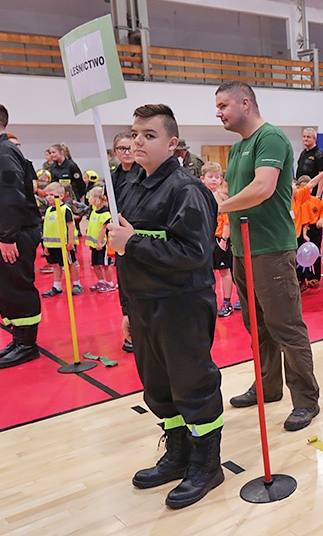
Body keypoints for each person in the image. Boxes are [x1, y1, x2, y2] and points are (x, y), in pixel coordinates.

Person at [106, 104, 224, 509]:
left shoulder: (187, 191)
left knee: (193, 384)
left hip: (181, 305)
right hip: (143, 305)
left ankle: (208, 464)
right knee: (158, 387)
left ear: (172, 144)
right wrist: (127, 308)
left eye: (149, 135)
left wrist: (133, 241)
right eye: (135, 133)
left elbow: (192, 253)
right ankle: (179, 453)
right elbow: (124, 254)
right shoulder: (131, 186)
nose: (138, 141)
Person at [214, 80, 321, 432]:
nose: (219, 114)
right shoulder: (237, 148)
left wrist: (217, 207)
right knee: (256, 326)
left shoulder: (270, 138)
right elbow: (233, 189)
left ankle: (305, 400)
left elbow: (263, 188)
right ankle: (268, 387)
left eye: (223, 106)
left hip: (271, 249)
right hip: (243, 250)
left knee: (286, 326)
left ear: (245, 103)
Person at [0, 102, 43, 370]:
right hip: (10, 232)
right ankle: (18, 340)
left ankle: (27, 346)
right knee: (5, 289)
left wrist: (7, 237)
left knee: (15, 288)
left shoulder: (3, 153)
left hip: (15, 233)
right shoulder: (1, 151)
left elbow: (9, 198)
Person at [201, 162, 239, 317]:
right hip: (204, 239)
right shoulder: (200, 195)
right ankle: (210, 303)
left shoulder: (222, 198)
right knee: (208, 273)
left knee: (224, 270)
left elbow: (227, 218)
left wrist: (223, 238)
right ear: (203, 178)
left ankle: (227, 302)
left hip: (219, 238)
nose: (214, 180)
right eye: (210, 177)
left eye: (217, 177)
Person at [112, 131, 137, 353]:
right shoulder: (113, 177)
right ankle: (129, 324)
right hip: (118, 238)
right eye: (122, 148)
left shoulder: (144, 174)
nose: (127, 152)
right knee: (124, 282)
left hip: (138, 236)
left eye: (130, 147)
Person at [40, 182, 83, 297]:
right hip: (52, 245)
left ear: (61, 196)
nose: (48, 197)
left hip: (64, 245)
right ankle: (57, 286)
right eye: (47, 195)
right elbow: (47, 228)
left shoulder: (65, 210)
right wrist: (46, 246)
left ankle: (77, 284)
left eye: (51, 194)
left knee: (70, 264)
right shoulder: (49, 210)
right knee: (55, 265)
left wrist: (70, 242)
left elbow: (70, 226)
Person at [84, 186, 115, 293]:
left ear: (96, 198)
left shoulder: (105, 213)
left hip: (103, 244)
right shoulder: (94, 211)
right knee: (95, 265)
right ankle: (101, 281)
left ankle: (110, 283)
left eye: (90, 197)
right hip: (94, 244)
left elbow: (103, 229)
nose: (88, 199)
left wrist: (99, 242)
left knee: (106, 264)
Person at [296, 127, 323, 197]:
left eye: (308, 137)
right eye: (304, 136)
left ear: (315, 139)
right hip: (301, 192)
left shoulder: (319, 155)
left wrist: (318, 195)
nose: (305, 139)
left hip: (312, 193)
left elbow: (322, 176)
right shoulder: (303, 153)